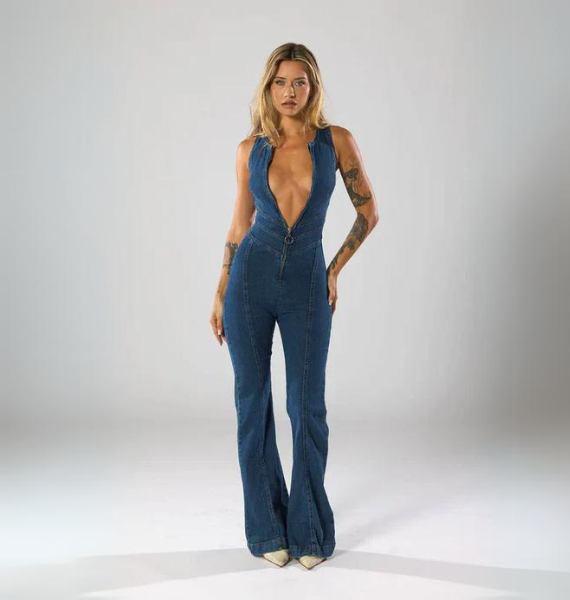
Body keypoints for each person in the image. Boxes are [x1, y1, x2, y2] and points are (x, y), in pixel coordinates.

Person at [210, 42, 379, 569]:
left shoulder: (336, 142)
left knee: (306, 407)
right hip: (249, 281)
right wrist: (220, 289)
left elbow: (369, 213)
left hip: (307, 281)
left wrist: (334, 269)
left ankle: (309, 531)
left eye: (299, 82)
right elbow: (240, 224)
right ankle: (266, 529)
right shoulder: (250, 149)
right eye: (280, 82)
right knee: (252, 402)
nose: (289, 92)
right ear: (268, 88)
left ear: (313, 87)